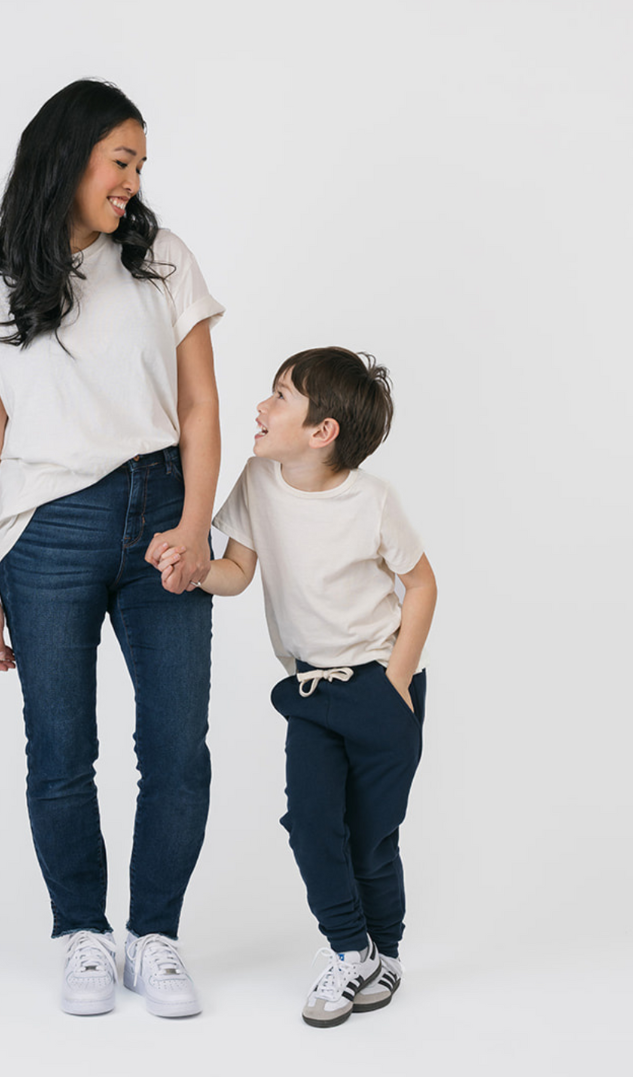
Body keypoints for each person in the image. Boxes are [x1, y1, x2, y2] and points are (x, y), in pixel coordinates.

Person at [0, 79, 223, 1018]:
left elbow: (198, 408)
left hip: (162, 511)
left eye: (140, 164)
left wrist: (193, 527)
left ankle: (155, 935)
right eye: (122, 160)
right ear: (67, 158)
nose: (134, 181)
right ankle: (82, 935)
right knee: (61, 751)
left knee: (178, 746)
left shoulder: (163, 261)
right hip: (46, 534)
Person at [159, 347, 437, 1028]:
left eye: (280, 395)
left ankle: (387, 952)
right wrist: (195, 572)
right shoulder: (259, 479)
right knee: (313, 824)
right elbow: (237, 570)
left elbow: (422, 584)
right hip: (311, 693)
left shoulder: (373, 501)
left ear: (323, 431)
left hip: (379, 685)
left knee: (372, 837)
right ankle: (349, 948)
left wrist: (395, 683)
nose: (261, 406)